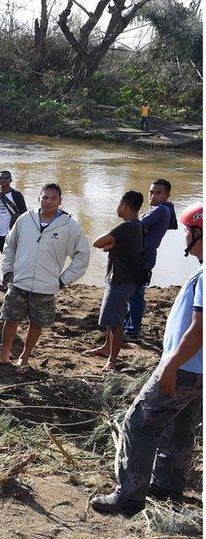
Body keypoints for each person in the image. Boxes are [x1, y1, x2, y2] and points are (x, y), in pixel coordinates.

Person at [90, 202, 202, 516]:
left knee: (138, 424)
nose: (184, 238)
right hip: (197, 370)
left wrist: (170, 364)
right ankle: (167, 486)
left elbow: (198, 329)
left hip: (184, 367)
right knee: (178, 425)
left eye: (188, 232)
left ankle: (129, 497)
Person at [0, 183, 90, 373]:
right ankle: (3, 355)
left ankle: (24, 357)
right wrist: (8, 270)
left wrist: (63, 279)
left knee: (36, 323)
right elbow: (10, 245)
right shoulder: (26, 219)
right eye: (45, 197)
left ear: (60, 201)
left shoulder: (68, 226)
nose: (48, 201)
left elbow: (82, 255)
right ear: (39, 198)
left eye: (53, 198)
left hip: (46, 286)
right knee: (10, 318)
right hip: (19, 281)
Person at [84, 191, 145, 372]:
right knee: (111, 317)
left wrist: (109, 245)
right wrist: (111, 245)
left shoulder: (126, 227)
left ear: (124, 205)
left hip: (121, 280)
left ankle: (112, 360)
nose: (117, 207)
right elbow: (108, 246)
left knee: (116, 320)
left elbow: (97, 242)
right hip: (122, 278)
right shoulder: (136, 226)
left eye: (119, 203)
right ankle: (106, 347)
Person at [124, 179, 178, 339]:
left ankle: (133, 330)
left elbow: (136, 225)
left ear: (167, 195)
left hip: (144, 256)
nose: (153, 196)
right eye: (151, 192)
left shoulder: (161, 210)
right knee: (134, 292)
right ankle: (129, 326)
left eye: (158, 193)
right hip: (145, 255)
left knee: (135, 293)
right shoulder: (160, 209)